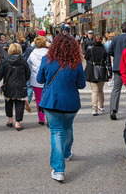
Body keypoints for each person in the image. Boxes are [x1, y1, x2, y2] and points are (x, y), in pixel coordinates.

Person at [37, 34, 86, 182]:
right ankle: (66, 152)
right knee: (68, 127)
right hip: (71, 103)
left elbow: (40, 79)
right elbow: (82, 85)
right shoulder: (76, 62)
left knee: (57, 132)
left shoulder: (47, 60)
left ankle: (58, 169)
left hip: (52, 102)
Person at [0, 43, 31, 131]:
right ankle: (18, 123)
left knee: (9, 102)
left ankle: (10, 120)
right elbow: (28, 74)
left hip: (8, 85)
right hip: (20, 86)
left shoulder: (5, 60)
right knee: (19, 104)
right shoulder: (23, 61)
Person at [107, 22, 126, 120]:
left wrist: (117, 57)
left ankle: (113, 109)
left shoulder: (115, 39)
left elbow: (109, 51)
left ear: (121, 30)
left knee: (116, 89)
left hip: (118, 67)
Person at [85, 35, 112, 116]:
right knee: (100, 90)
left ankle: (95, 108)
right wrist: (110, 74)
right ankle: (101, 105)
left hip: (91, 70)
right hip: (102, 70)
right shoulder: (104, 49)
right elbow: (108, 62)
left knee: (94, 90)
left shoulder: (90, 48)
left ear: (94, 39)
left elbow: (86, 58)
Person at [27, 36, 49, 125]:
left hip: (36, 80)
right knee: (47, 99)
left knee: (38, 99)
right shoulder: (48, 53)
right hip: (47, 80)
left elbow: (29, 66)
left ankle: (41, 118)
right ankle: (48, 118)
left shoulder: (32, 54)